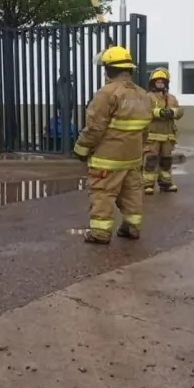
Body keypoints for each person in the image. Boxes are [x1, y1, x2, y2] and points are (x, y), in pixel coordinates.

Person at [72, 45, 152, 245]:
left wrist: (81, 148)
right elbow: (145, 129)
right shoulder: (142, 95)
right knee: (131, 192)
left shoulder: (106, 93)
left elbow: (95, 128)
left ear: (108, 69)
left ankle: (100, 232)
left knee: (102, 192)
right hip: (132, 157)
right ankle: (132, 227)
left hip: (107, 158)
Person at [142, 67, 184, 194]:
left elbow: (180, 111)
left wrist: (172, 112)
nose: (160, 83)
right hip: (152, 135)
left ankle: (166, 183)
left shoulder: (171, 98)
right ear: (153, 83)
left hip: (168, 135)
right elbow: (144, 111)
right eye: (157, 81)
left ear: (166, 83)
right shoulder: (147, 97)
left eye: (162, 81)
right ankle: (148, 184)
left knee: (166, 161)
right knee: (151, 160)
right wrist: (159, 112)